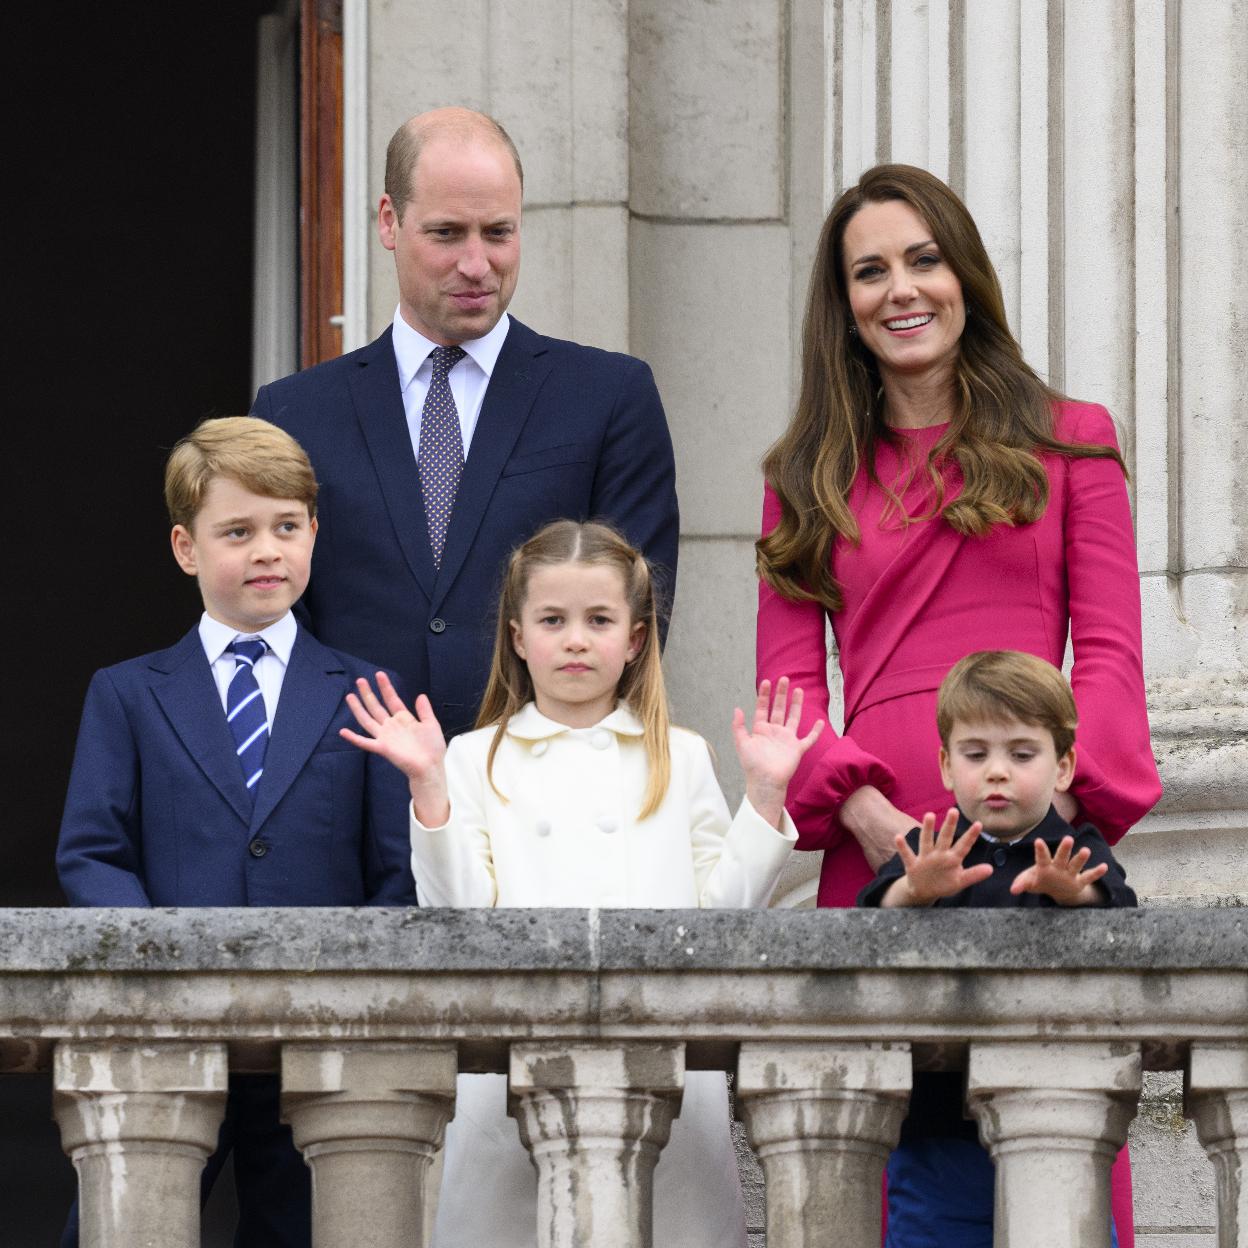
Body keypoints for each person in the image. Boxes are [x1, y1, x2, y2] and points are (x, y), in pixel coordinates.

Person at [754, 164, 1161, 1245]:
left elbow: (1113, 653)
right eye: (870, 271)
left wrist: (1073, 826)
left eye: (923, 259)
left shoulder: (1072, 436)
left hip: (1042, 859)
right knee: (893, 1192)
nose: (902, 289)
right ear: (842, 305)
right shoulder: (805, 472)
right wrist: (863, 816)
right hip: (882, 856)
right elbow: (788, 687)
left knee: (1056, 1167)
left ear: (964, 274)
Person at [341, 519, 822, 1248]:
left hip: (664, 1063)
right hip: (514, 1072)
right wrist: (430, 787)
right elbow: (460, 918)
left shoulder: (679, 756)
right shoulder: (473, 759)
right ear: (516, 635)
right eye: (552, 620)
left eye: (598, 620)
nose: (574, 639)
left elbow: (725, 920)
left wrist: (762, 798)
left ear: (634, 639)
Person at [56, 416, 416, 1248]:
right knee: (120, 1225)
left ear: (315, 534)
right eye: (238, 532)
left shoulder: (362, 687)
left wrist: (353, 990)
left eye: (287, 527)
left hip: (319, 1033)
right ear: (187, 548)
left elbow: (391, 872)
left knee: (305, 1229)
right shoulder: (128, 693)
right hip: (176, 1026)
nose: (267, 551)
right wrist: (157, 977)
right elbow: (93, 852)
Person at [252, 107, 679, 739]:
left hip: (542, 791)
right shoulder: (292, 414)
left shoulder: (610, 396)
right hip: (353, 789)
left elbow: (637, 609)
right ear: (389, 222)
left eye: (498, 233)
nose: (478, 264)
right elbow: (271, 618)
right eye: (448, 233)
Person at [858, 650, 1136, 1247]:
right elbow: (864, 928)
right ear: (944, 763)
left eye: (1022, 753)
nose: (997, 772)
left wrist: (1074, 896)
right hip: (937, 1131)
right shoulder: (930, 847)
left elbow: (1125, 923)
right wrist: (914, 890)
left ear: (1063, 767)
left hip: (1062, 1118)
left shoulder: (1076, 848)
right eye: (976, 754)